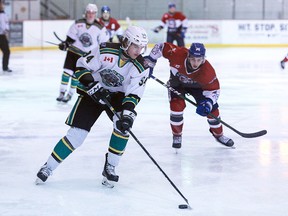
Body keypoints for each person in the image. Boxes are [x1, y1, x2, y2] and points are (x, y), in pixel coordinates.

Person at [36, 25, 149, 188]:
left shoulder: (141, 66)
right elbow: (81, 67)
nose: (139, 50)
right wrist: (92, 85)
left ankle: (110, 166)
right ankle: (48, 167)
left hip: (118, 97)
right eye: (135, 45)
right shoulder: (105, 50)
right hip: (93, 92)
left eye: (141, 47)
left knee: (123, 126)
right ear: (125, 42)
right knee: (77, 135)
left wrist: (126, 114)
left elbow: (133, 94)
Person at [145, 42, 234, 149]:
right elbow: (160, 46)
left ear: (203, 59)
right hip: (177, 84)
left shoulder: (208, 72)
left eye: (199, 60)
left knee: (212, 110)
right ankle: (177, 135)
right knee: (176, 107)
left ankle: (219, 135)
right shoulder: (177, 54)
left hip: (198, 88)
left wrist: (208, 103)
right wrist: (151, 61)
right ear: (188, 56)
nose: (195, 63)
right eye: (193, 59)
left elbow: (214, 90)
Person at [56, 3, 110, 103]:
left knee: (76, 76)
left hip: (86, 57)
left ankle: (70, 94)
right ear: (85, 13)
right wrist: (65, 44)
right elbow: (70, 39)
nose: (90, 15)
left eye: (93, 13)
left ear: (96, 14)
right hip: (73, 52)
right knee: (66, 72)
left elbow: (103, 44)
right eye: (89, 12)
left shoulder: (100, 28)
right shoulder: (78, 23)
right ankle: (61, 92)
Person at [0, 1, 11, 72]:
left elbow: (6, 22)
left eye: (2, 3)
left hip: (2, 36)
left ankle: (5, 67)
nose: (2, 5)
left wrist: (6, 29)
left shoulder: (4, 13)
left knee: (7, 51)